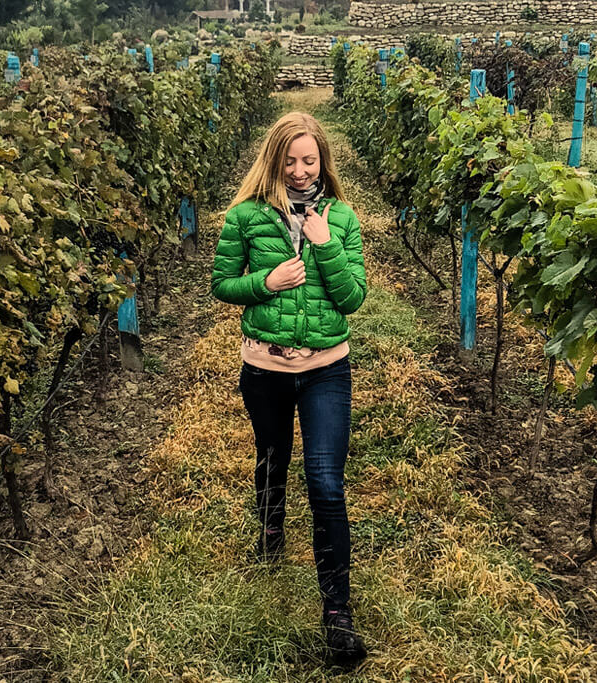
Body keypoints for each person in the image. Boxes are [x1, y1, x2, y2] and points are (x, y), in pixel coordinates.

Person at [210, 111, 368, 667]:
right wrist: (266, 281)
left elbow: (352, 299)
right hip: (265, 367)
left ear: (323, 161)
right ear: (273, 161)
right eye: (290, 160)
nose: (301, 171)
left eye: (311, 160)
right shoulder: (246, 217)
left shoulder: (342, 218)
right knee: (272, 458)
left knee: (325, 480)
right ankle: (270, 540)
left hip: (327, 367)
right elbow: (222, 284)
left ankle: (337, 616)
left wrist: (324, 245)